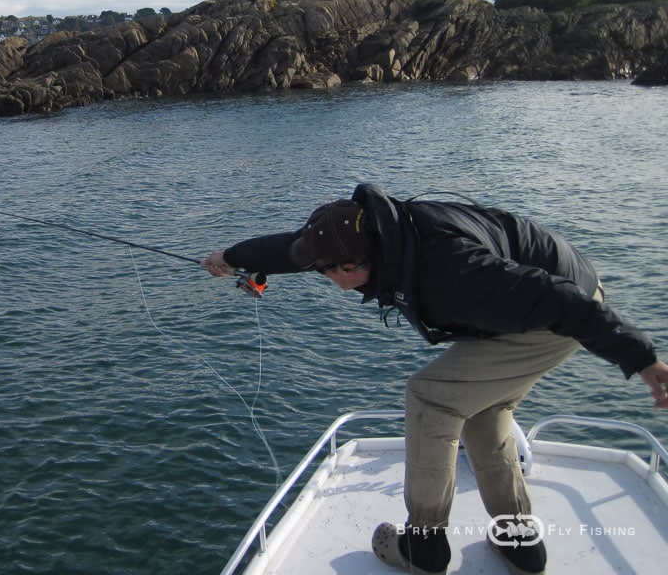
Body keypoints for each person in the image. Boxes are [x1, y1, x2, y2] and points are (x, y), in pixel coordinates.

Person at [202, 183, 668, 575]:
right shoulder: (374, 232)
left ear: (350, 269)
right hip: (539, 301)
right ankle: (519, 540)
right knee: (483, 411)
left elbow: (562, 303)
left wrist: (643, 359)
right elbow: (292, 249)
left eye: (323, 272)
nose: (319, 275)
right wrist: (230, 255)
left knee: (431, 399)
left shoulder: (450, 274)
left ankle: (424, 547)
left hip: (561, 312)